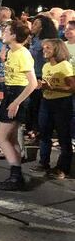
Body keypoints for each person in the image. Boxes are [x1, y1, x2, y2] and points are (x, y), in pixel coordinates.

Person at [0, 21, 38, 190]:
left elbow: (32, 83)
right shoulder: (11, 52)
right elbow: (16, 75)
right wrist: (3, 79)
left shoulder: (22, 53)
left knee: (0, 137)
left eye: (6, 31)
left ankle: (16, 176)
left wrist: (15, 102)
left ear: (13, 35)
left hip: (17, 96)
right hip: (10, 92)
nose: (3, 33)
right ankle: (15, 176)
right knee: (11, 139)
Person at [33, 39, 74, 179]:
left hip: (62, 104)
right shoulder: (45, 67)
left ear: (57, 49)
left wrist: (52, 88)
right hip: (46, 102)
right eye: (44, 47)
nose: (44, 50)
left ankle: (63, 168)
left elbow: (72, 87)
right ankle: (44, 162)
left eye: (48, 47)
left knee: (63, 136)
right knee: (44, 133)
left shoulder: (65, 66)